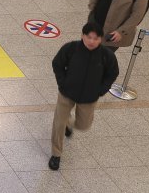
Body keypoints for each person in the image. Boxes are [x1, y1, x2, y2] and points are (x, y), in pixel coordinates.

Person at [48, 22, 119, 170]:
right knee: (58, 123)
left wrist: (101, 90)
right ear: (82, 36)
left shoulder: (107, 56)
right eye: (89, 37)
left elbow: (112, 73)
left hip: (89, 97)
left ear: (100, 39)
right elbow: (57, 64)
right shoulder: (71, 49)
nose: (92, 41)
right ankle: (56, 154)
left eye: (96, 38)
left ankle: (69, 123)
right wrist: (63, 83)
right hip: (66, 94)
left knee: (84, 125)